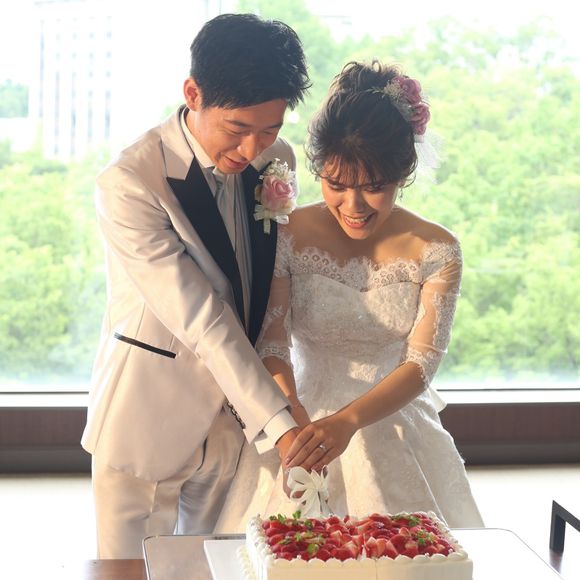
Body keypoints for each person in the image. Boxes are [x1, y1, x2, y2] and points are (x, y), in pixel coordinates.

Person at [214, 60, 484, 532]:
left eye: (374, 188)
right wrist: (293, 418)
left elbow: (421, 365)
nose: (353, 206)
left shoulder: (437, 249)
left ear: (403, 173)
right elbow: (273, 342)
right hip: (301, 417)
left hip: (395, 422)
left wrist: (348, 422)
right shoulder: (288, 233)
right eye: (336, 185)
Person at [81, 13, 313, 559]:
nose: (253, 148)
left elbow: (270, 283)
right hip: (148, 414)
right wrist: (280, 424)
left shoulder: (277, 159)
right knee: (131, 571)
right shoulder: (130, 183)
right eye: (237, 128)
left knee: (216, 567)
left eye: (270, 128)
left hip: (235, 425)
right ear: (193, 94)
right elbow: (202, 316)